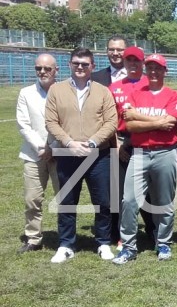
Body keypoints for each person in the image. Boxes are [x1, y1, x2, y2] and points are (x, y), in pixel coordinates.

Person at [44, 48, 118, 263]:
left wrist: (92, 142)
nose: (80, 67)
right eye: (76, 63)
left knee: (103, 201)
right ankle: (66, 244)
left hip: (98, 155)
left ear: (92, 66)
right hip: (68, 154)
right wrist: (69, 143)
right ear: (69, 64)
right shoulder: (56, 90)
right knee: (67, 201)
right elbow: (51, 121)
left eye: (85, 64)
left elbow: (111, 122)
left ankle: (103, 242)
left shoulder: (103, 91)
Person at [112, 54, 177, 264]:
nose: (153, 71)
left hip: (165, 152)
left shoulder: (173, 95)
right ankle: (128, 247)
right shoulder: (135, 94)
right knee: (129, 200)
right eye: (150, 68)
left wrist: (140, 117)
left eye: (158, 68)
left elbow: (171, 123)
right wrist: (157, 122)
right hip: (140, 153)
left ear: (165, 71)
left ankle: (163, 243)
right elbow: (130, 125)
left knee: (164, 201)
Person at [108, 46, 154, 245]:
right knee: (121, 192)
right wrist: (117, 144)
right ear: (124, 62)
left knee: (149, 191)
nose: (133, 64)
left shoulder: (151, 84)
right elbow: (109, 119)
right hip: (121, 142)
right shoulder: (114, 87)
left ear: (143, 63)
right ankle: (122, 234)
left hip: (145, 141)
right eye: (129, 60)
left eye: (137, 60)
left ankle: (153, 231)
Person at [17, 53, 59, 253]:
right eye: (38, 68)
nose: (42, 72)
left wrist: (53, 147)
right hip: (34, 154)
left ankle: (66, 236)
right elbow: (23, 124)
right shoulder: (26, 93)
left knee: (65, 199)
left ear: (56, 70)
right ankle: (33, 238)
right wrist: (42, 148)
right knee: (32, 199)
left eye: (47, 68)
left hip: (60, 153)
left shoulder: (65, 91)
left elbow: (69, 123)